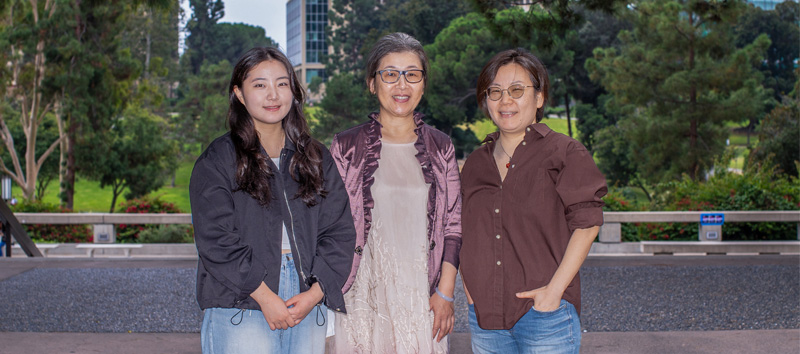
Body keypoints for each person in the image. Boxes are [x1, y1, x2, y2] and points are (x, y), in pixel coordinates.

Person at [189, 47, 356, 354]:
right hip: (242, 298)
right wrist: (265, 296)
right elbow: (215, 239)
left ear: (293, 90)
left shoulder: (315, 158)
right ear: (239, 94)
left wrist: (316, 293)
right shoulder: (218, 160)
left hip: (305, 296)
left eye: (282, 83)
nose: (273, 95)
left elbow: (339, 230)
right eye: (259, 84)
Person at [460, 48, 608, 354]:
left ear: (539, 98)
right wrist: (469, 290)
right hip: (486, 319)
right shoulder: (475, 163)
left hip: (545, 317)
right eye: (495, 92)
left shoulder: (564, 153)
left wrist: (554, 292)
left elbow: (587, 224)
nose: (505, 101)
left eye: (517, 90)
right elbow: (462, 232)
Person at [329, 32, 462, 354]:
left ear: (423, 83)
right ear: (372, 83)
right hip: (360, 297)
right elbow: (328, 223)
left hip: (422, 297)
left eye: (412, 75)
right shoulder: (346, 147)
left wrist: (445, 294)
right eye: (390, 74)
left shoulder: (441, 147)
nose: (402, 85)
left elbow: (453, 226)